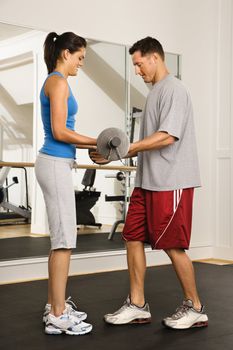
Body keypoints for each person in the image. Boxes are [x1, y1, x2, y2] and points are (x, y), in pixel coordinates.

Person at [101, 36, 208, 329]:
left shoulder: (174, 89)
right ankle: (137, 305)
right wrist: (116, 153)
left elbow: (167, 136)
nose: (137, 71)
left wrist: (128, 148)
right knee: (132, 237)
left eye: (138, 64)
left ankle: (195, 307)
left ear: (154, 58)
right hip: (147, 181)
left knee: (173, 245)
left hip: (170, 181)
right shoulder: (155, 92)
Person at [35, 32, 97, 335]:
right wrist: (96, 141)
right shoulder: (57, 82)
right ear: (65, 53)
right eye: (80, 57)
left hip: (58, 163)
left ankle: (53, 305)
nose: (81, 63)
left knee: (60, 239)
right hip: (55, 162)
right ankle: (58, 315)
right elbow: (60, 131)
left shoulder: (57, 81)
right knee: (64, 242)